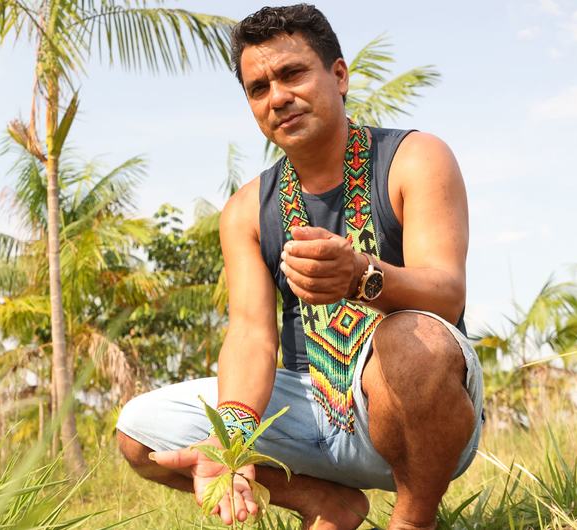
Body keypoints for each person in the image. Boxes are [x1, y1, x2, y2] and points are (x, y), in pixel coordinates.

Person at [115, 4, 484, 530]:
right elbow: (250, 336)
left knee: (412, 340)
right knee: (140, 430)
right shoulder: (247, 209)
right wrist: (233, 442)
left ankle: (413, 518)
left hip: (418, 412)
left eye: (292, 74)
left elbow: (447, 293)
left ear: (338, 76)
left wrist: (362, 277)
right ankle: (325, 502)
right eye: (258, 88)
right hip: (310, 406)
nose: (278, 98)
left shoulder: (414, 158)